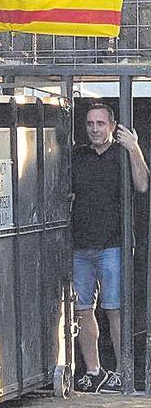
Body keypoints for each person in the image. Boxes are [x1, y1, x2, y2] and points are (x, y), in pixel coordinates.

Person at [71, 104, 148, 393]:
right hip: (80, 245)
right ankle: (94, 371)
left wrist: (134, 149)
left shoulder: (122, 154)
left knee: (115, 309)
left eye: (100, 123)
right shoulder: (78, 156)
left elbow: (141, 186)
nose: (94, 129)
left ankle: (121, 371)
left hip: (113, 245)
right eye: (90, 123)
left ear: (112, 126)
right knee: (82, 309)